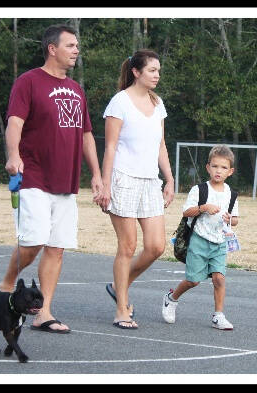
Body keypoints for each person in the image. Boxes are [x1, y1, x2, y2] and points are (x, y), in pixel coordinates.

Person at [0, 24, 104, 334]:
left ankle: (43, 311)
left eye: (77, 46)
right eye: (70, 45)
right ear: (52, 49)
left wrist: (96, 174)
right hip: (33, 175)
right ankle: (5, 285)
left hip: (66, 180)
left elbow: (86, 135)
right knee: (34, 241)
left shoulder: (76, 89)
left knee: (56, 248)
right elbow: (14, 123)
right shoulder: (28, 81)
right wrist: (13, 155)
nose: (76, 50)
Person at [97, 49, 175, 329]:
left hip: (150, 181)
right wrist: (105, 185)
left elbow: (161, 145)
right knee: (127, 246)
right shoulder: (120, 103)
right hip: (123, 179)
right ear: (136, 72)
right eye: (152, 70)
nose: (157, 75)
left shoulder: (158, 103)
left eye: (158, 70)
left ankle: (120, 285)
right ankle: (121, 309)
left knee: (156, 246)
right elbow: (110, 146)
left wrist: (169, 178)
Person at [162, 145, 239, 330]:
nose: (218, 171)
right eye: (215, 166)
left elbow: (235, 219)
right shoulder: (200, 190)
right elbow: (186, 212)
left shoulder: (231, 194)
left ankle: (218, 315)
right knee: (193, 281)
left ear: (230, 171)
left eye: (223, 167)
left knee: (219, 279)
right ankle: (171, 299)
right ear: (208, 168)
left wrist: (231, 219)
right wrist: (203, 207)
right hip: (199, 240)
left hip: (219, 242)